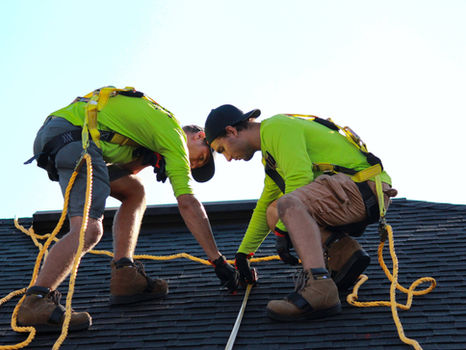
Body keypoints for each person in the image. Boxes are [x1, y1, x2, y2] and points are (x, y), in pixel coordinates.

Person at [18, 87, 238, 332]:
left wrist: (145, 160)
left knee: (135, 192)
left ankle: (125, 276)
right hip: (74, 138)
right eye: (201, 158)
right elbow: (187, 203)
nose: (192, 165)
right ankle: (36, 301)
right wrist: (218, 261)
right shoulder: (173, 135)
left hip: (70, 134)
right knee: (89, 230)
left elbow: (117, 162)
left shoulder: (153, 131)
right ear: (199, 136)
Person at [203, 104, 397, 321]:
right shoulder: (271, 155)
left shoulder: (276, 127)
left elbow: (299, 178)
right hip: (354, 192)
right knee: (273, 210)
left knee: (287, 205)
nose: (228, 158)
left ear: (231, 131)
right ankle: (344, 253)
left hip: (362, 188)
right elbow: (266, 203)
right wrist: (243, 255)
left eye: (222, 150)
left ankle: (320, 287)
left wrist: (283, 231)